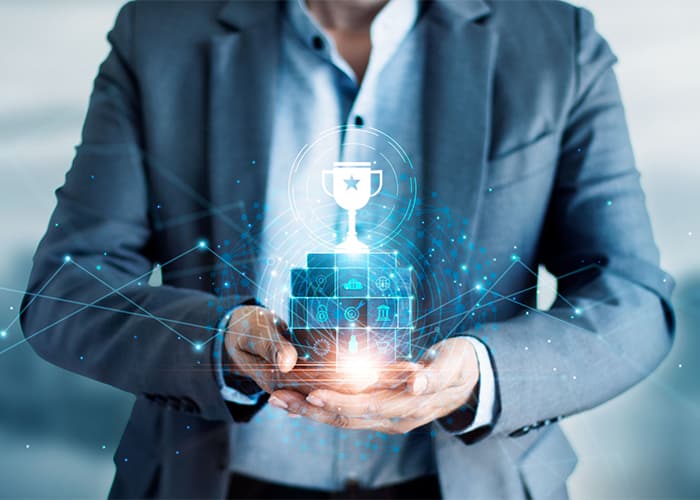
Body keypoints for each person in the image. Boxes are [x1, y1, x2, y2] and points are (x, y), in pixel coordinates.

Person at [21, 1, 675, 499]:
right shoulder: (160, 35)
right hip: (214, 479)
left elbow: (635, 303)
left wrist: (480, 373)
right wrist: (217, 341)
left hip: (471, 480)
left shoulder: (556, 43)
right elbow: (68, 289)